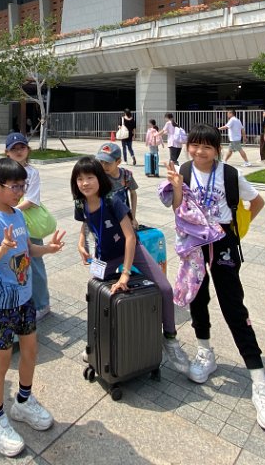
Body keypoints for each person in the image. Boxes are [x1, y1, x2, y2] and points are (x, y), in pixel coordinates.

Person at [160, 123, 265, 432]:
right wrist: (176, 185)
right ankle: (205, 351)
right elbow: (178, 209)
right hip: (195, 243)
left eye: (207, 146)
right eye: (195, 145)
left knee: (233, 306)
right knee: (198, 298)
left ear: (217, 149)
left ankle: (259, 380)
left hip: (224, 242)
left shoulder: (229, 174)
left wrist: (238, 228)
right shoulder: (185, 170)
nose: (199, 151)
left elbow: (257, 202)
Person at [0, 157, 65, 457]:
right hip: (2, 305)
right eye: (14, 187)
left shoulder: (17, 215)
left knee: (30, 351)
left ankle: (23, 402)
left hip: (24, 299)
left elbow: (28, 250)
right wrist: (2, 248)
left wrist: (48, 249)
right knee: (1, 362)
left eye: (22, 186)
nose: (20, 192)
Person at [73, 156, 191, 375]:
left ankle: (170, 338)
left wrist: (125, 274)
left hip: (132, 250)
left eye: (90, 177)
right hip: (105, 257)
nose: (85, 183)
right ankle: (96, 343)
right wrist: (81, 243)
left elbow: (129, 237)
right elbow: (86, 224)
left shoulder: (112, 201)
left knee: (165, 289)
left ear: (100, 178)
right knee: (96, 296)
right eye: (80, 179)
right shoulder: (80, 203)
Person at [3, 133, 52, 320]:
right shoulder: (2, 171)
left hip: (27, 223)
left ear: (28, 150)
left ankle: (42, 304)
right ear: (7, 152)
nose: (18, 151)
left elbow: (31, 200)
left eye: (22, 147)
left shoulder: (32, 173)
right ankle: (21, 300)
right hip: (8, 222)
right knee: (15, 264)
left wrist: (10, 211)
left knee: (35, 263)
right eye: (14, 148)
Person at [94, 142, 139, 229]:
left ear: (118, 162)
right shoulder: (99, 177)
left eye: (108, 162)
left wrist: (133, 217)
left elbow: (133, 193)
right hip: (105, 220)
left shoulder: (126, 175)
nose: (104, 166)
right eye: (101, 162)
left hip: (123, 217)